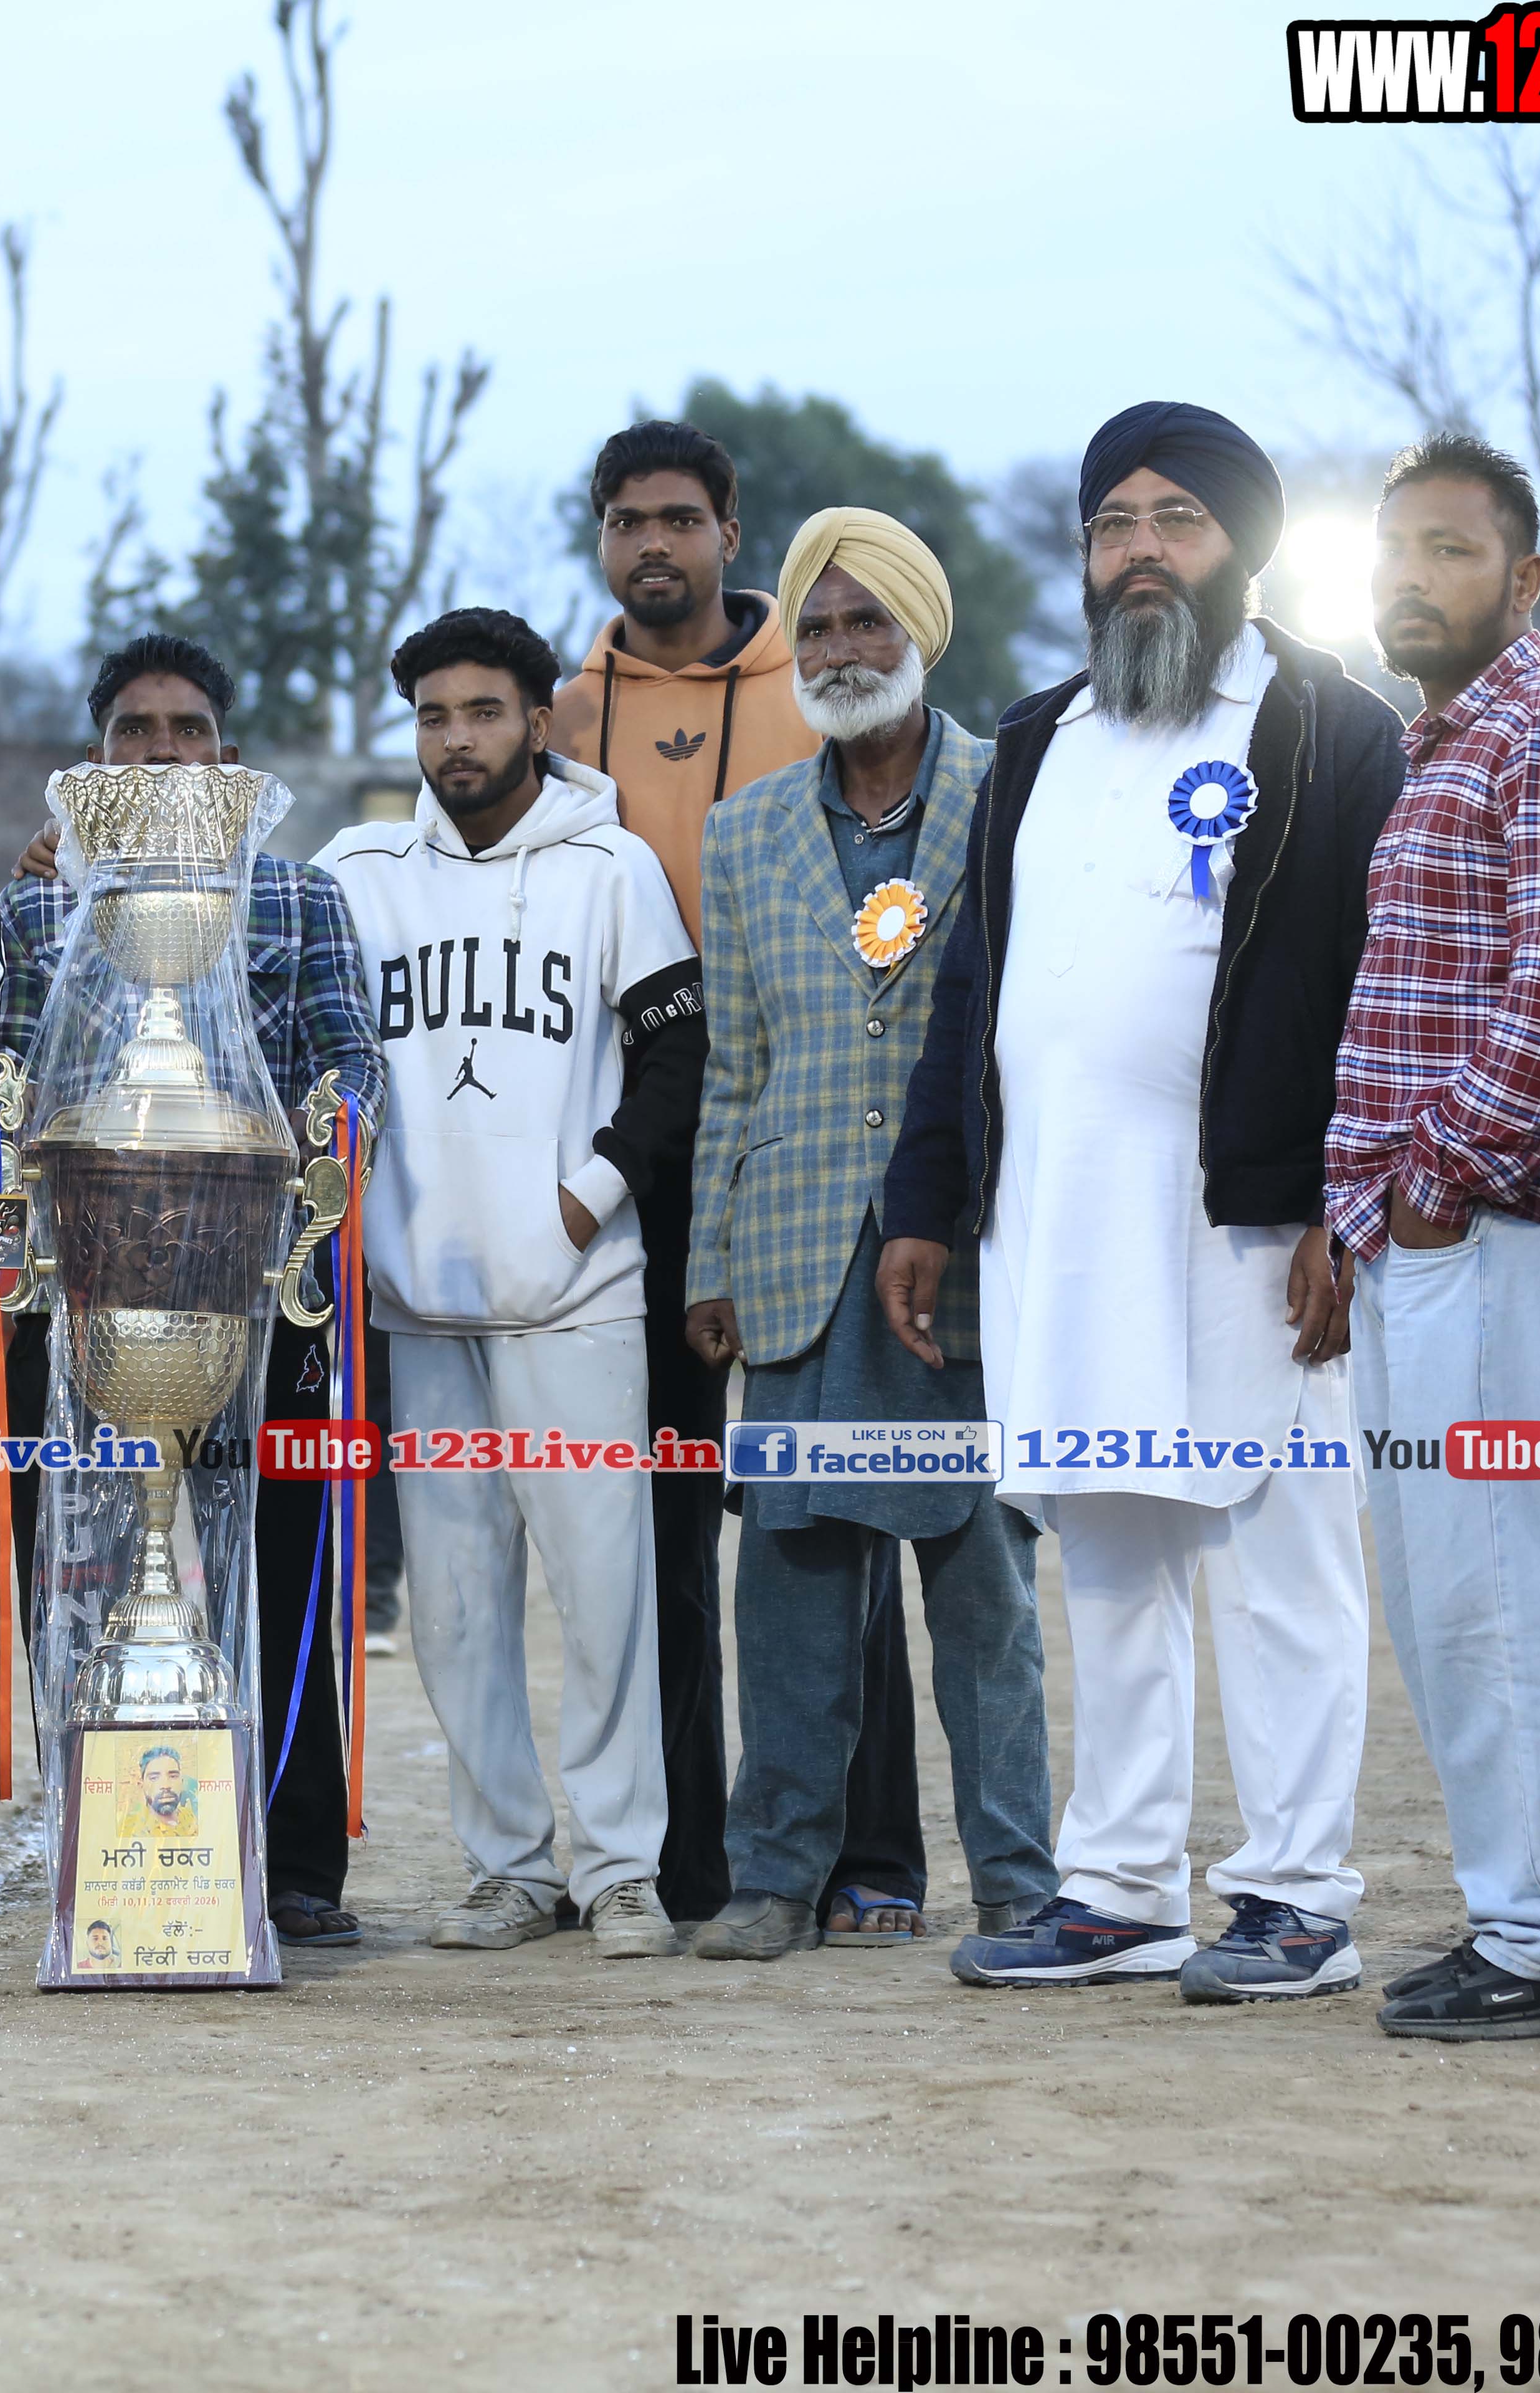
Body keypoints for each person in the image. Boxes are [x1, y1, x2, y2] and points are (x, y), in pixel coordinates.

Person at [881, 401, 1403, 2002]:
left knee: (1277, 1558)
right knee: (1107, 1548)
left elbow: (1373, 983)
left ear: (1243, 544)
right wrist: (927, 1194)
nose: (1141, 551)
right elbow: (971, 984)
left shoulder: (1328, 726)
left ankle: (1296, 1894)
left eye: (1177, 518)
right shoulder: (1037, 737)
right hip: (1060, 1215)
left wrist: (1342, 1203)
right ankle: (1115, 1888)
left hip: (1253, 1225)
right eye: (1113, 523)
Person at [551, 419, 926, 1937]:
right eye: (625, 520)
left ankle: (872, 1854)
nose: (653, 543)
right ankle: (698, 1863)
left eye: (680, 518)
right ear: (601, 538)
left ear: (726, 533)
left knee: (837, 1501)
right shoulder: (560, 713)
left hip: (796, 1150)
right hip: (628, 1152)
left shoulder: (818, 684)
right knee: (660, 1531)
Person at [682, 512, 1058, 1962]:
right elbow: (734, 1065)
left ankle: (1019, 1884)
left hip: (957, 1252)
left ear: (922, 631)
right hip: (790, 1262)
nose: (841, 649)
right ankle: (775, 1878)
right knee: (785, 1589)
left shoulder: (1011, 798)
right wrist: (709, 1260)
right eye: (819, 624)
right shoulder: (744, 830)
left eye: (866, 620)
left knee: (982, 1590)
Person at [1325, 434, 1540, 2042]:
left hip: (1501, 1231)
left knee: (1510, 1590)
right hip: (1419, 1237)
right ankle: (1523, 1916)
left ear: (1521, 580)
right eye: (1394, 549)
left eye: (1448, 551)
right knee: (1445, 1597)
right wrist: (1372, 1216)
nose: (1410, 576)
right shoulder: (1433, 748)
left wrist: (1434, 1182)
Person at [314, 606, 700, 1962]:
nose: (456, 740)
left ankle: (623, 1870)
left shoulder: (611, 865)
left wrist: (587, 1195)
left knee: (604, 1596)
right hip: (420, 1302)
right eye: (433, 716)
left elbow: (678, 1062)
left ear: (539, 720)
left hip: (577, 1291)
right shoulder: (356, 871)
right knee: (458, 1606)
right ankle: (509, 1869)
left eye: (482, 712)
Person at [0, 631, 390, 1947]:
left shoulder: (298, 900)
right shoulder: (41, 909)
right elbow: (5, 1073)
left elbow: (349, 1056)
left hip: (259, 1288)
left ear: (229, 754)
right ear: (96, 755)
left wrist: (325, 1145)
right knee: (89, 1565)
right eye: (136, 730)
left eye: (189, 731)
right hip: (91, 1299)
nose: (163, 753)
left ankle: (297, 1858)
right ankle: (112, 1843)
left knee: (286, 1564)